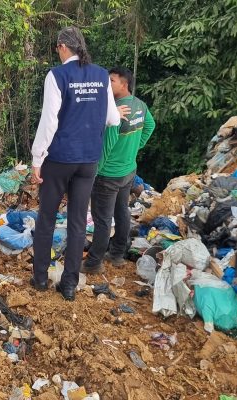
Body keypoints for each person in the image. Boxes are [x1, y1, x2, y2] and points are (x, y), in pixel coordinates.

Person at [30, 26, 125, 301]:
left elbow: (49, 122)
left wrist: (38, 158)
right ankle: (69, 284)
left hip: (59, 158)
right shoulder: (100, 75)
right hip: (88, 161)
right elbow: (112, 119)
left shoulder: (56, 76)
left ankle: (39, 278)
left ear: (62, 47)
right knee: (77, 222)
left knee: (47, 218)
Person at [81, 67, 156, 274]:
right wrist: (133, 149)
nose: (107, 84)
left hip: (108, 175)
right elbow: (150, 125)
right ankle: (117, 254)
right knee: (122, 211)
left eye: (111, 81)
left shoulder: (117, 111)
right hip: (128, 172)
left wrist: (94, 173)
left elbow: (106, 147)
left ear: (124, 84)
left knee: (102, 220)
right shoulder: (140, 105)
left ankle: (93, 263)